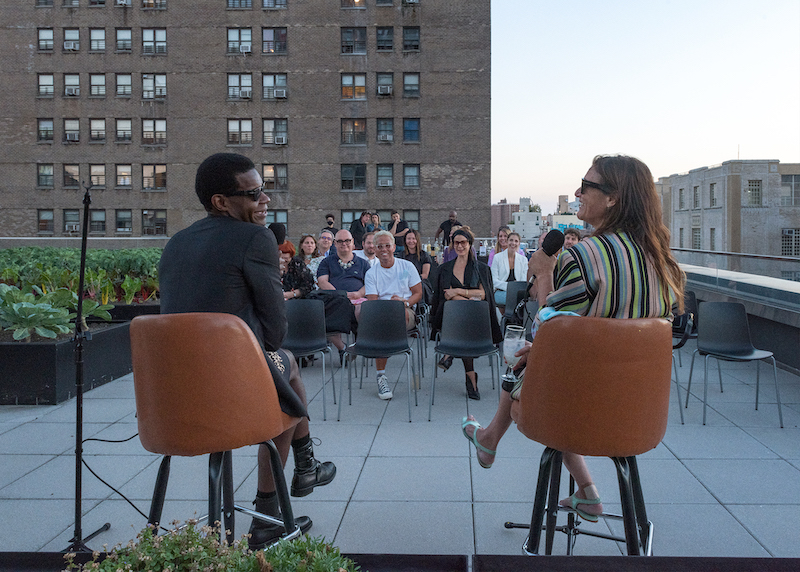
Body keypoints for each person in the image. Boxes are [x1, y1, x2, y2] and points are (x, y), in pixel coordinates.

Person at [461, 155, 683, 523]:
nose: (578, 192)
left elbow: (549, 329)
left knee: (526, 369)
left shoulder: (583, 256)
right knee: (534, 365)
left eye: (587, 185)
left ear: (613, 198)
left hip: (580, 408)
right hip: (638, 413)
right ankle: (586, 492)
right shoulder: (661, 261)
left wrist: (545, 274)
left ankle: (490, 441)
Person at [158, 153, 336, 549]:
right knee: (285, 367)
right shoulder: (256, 238)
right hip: (229, 402)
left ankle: (303, 468)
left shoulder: (176, 243)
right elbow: (274, 333)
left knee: (280, 369)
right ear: (221, 202)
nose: (265, 200)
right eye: (254, 193)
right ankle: (273, 507)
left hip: (171, 408)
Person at [430, 228, 502, 400]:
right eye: (457, 243)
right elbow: (444, 295)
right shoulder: (444, 269)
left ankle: (450, 354)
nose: (460, 246)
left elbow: (484, 295)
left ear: (470, 244)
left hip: (477, 320)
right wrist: (467, 296)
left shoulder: (481, 268)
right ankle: (471, 378)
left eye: (463, 242)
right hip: (450, 319)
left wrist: (458, 292)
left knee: (465, 320)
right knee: (461, 317)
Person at [364, 231, 423, 400]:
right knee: (382, 321)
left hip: (405, 310)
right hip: (382, 313)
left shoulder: (406, 266)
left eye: (387, 246)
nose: (384, 249)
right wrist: (390, 307)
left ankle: (381, 365)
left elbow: (417, 293)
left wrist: (403, 303)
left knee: (396, 317)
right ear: (374, 249)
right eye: (380, 246)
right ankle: (381, 375)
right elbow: (374, 303)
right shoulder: (371, 273)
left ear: (394, 247)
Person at [317, 229, 371, 359]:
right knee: (324, 316)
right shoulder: (327, 262)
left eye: (347, 241)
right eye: (340, 241)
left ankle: (359, 345)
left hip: (358, 300)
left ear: (353, 243)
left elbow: (370, 284)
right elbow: (322, 282)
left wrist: (359, 293)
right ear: (334, 243)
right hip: (335, 300)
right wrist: (341, 294)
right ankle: (343, 349)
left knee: (363, 309)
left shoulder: (363, 264)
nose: (344, 244)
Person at [490, 231, 529, 309]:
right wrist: (510, 286)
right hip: (500, 292)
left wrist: (514, 288)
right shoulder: (497, 258)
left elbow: (523, 281)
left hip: (518, 292)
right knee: (512, 299)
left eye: (516, 241)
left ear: (519, 243)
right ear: (507, 241)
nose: (513, 243)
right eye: (511, 240)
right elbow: (494, 281)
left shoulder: (523, 260)